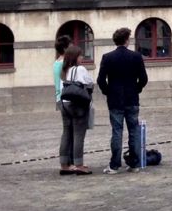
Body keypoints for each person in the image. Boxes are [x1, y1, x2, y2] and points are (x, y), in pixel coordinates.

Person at [97, 27, 149, 174]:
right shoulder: (136, 56)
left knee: (117, 131)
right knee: (134, 131)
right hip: (132, 98)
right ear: (127, 40)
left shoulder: (108, 57)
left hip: (115, 99)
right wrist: (137, 88)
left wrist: (108, 91)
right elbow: (143, 78)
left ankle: (114, 165)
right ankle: (134, 164)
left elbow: (101, 80)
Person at [58, 44, 94, 176]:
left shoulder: (65, 70)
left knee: (66, 133)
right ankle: (79, 165)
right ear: (75, 57)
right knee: (79, 134)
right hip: (78, 105)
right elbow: (90, 83)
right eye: (80, 55)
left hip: (65, 104)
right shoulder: (81, 69)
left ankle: (64, 164)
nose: (82, 57)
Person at [52, 34, 71, 110]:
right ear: (65, 49)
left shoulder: (56, 62)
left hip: (59, 98)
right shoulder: (64, 62)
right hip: (66, 98)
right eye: (70, 46)